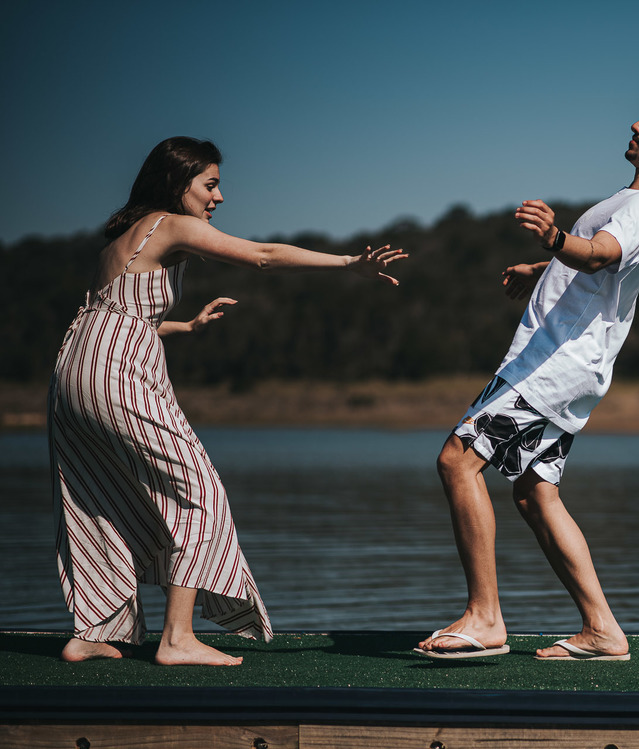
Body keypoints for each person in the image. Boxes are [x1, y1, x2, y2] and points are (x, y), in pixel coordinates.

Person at [50, 136, 406, 666]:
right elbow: (263, 257)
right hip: (117, 371)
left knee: (97, 491)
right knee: (200, 492)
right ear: (177, 182)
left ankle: (91, 631)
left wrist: (185, 326)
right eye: (210, 185)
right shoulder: (173, 224)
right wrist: (350, 261)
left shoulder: (121, 239)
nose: (218, 197)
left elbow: (118, 313)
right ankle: (177, 638)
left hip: (75, 368)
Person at [417, 89, 639, 661]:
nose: (636, 124)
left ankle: (485, 618)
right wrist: (544, 267)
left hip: (551, 368)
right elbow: (603, 268)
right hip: (569, 369)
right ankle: (602, 630)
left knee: (457, 461)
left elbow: (600, 255)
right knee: (536, 494)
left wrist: (553, 238)